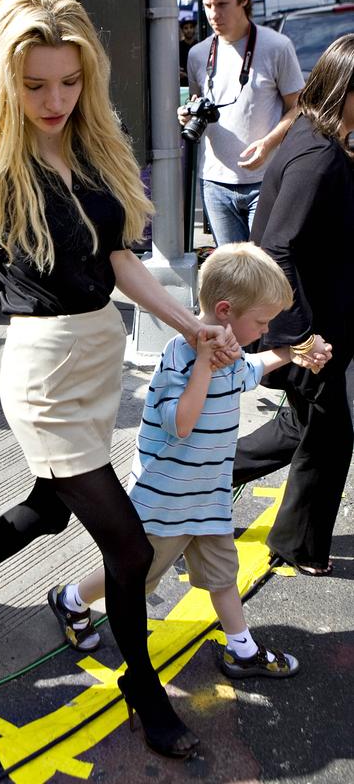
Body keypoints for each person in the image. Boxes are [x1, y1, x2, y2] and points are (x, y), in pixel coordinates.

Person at [0, 0, 243, 759]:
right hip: (40, 371)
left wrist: (190, 324)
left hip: (99, 351)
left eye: (69, 81)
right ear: (5, 77)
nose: (55, 99)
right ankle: (144, 692)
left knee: (52, 505)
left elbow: (117, 257)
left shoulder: (98, 142)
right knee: (129, 549)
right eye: (35, 84)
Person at [49, 243, 332, 681]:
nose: (265, 330)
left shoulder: (232, 352)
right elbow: (180, 424)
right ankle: (71, 599)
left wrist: (293, 354)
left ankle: (242, 648)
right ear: (224, 311)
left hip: (208, 499)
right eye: (261, 321)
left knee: (222, 575)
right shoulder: (179, 358)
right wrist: (203, 363)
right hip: (165, 504)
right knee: (133, 575)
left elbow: (251, 369)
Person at [232, 34, 354, 576]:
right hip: (307, 328)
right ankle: (298, 543)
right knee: (329, 433)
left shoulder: (326, 138)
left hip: (324, 317)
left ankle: (206, 470)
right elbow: (278, 247)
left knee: (300, 429)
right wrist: (300, 339)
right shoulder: (318, 155)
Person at [178, 0, 304, 246]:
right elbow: (199, 103)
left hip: (265, 181)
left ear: (243, 0)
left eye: (222, 5)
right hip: (214, 183)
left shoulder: (276, 47)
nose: (213, 15)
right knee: (233, 277)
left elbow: (299, 106)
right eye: (208, 6)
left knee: (263, 271)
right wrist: (186, 114)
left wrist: (268, 143)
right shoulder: (198, 54)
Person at [178, 15, 197, 87]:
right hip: (181, 86)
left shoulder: (199, 46)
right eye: (186, 28)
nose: (189, 30)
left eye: (191, 27)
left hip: (196, 85)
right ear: (182, 30)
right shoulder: (177, 47)